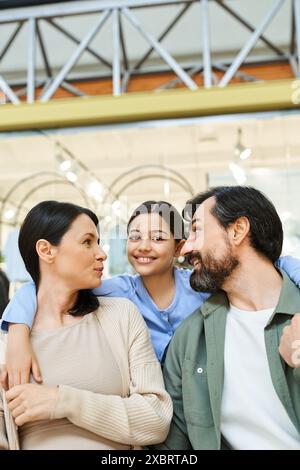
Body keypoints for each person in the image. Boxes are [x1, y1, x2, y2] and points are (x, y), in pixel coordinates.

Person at [1, 200, 300, 387]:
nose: (143, 246)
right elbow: (45, 285)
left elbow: (276, 266)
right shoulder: (121, 291)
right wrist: (17, 332)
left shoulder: (200, 285)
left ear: (179, 247)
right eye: (134, 237)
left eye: (157, 238)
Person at [0, 201, 172, 450]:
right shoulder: (9, 341)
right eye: (87, 242)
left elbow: (156, 419)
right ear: (46, 251)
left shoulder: (121, 316)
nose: (102, 253)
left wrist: (63, 401)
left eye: (98, 241)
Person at [160, 186, 300, 450]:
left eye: (197, 231)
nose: (185, 248)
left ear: (237, 230)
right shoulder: (189, 340)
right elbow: (174, 446)